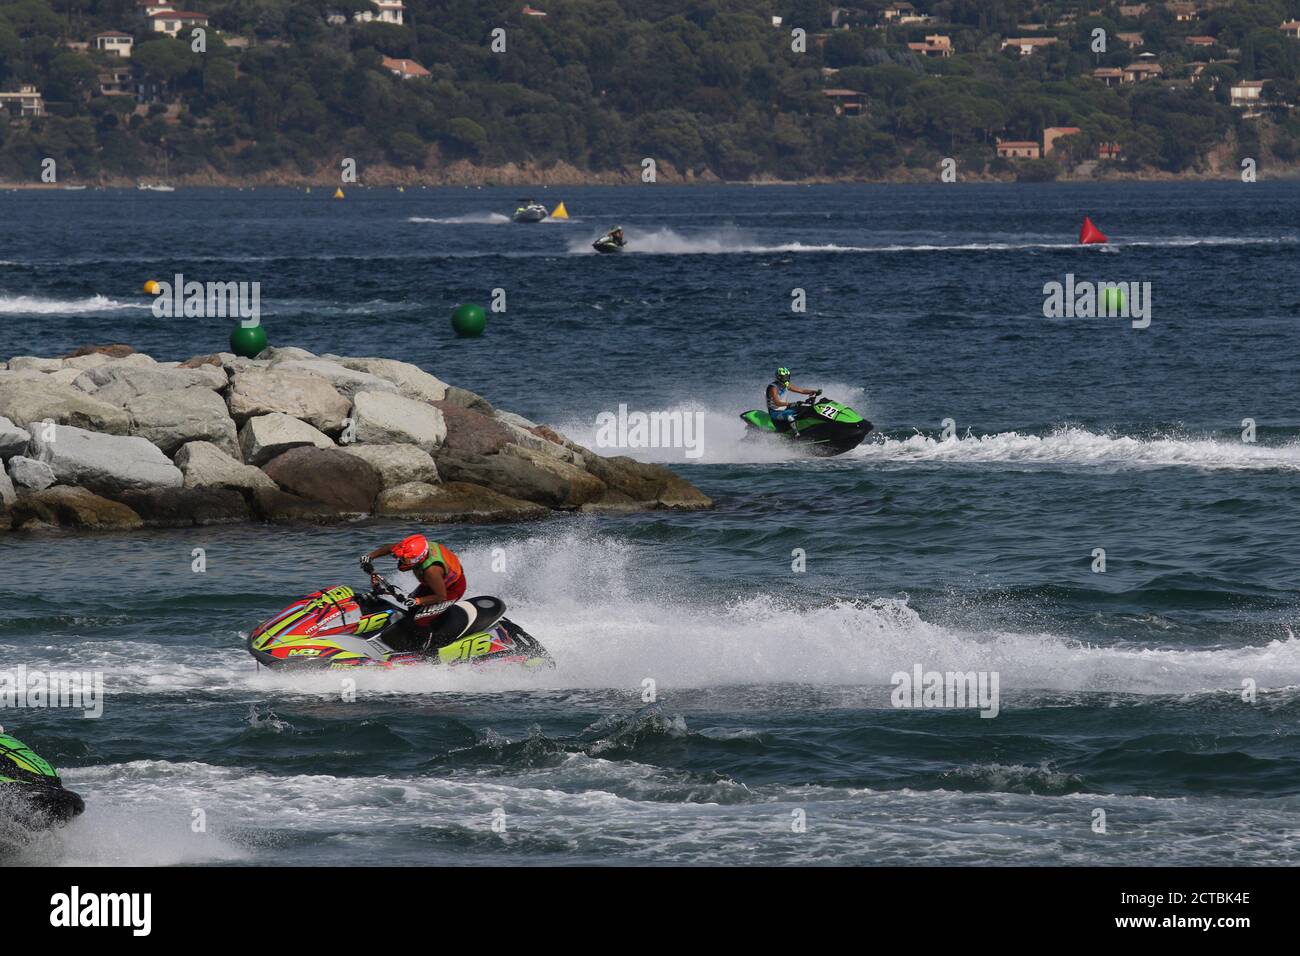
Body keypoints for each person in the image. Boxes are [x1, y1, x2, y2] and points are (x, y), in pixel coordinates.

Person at [361, 535, 466, 650]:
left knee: (420, 620)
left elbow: (441, 596)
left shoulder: (431, 571)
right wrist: (369, 557)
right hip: (434, 584)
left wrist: (418, 600)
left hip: (450, 590)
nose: (401, 561)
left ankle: (428, 650)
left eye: (404, 559)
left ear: (418, 559)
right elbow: (390, 548)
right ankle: (427, 623)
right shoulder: (416, 548)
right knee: (411, 607)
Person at [766, 367, 821, 432]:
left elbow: (802, 390)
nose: (786, 379)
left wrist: (814, 391)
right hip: (775, 413)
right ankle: (796, 435)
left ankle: (812, 426)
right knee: (789, 416)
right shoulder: (773, 388)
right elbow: (777, 403)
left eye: (787, 377)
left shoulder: (787, 385)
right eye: (784, 377)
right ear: (779, 377)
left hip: (785, 409)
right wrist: (791, 404)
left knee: (806, 408)